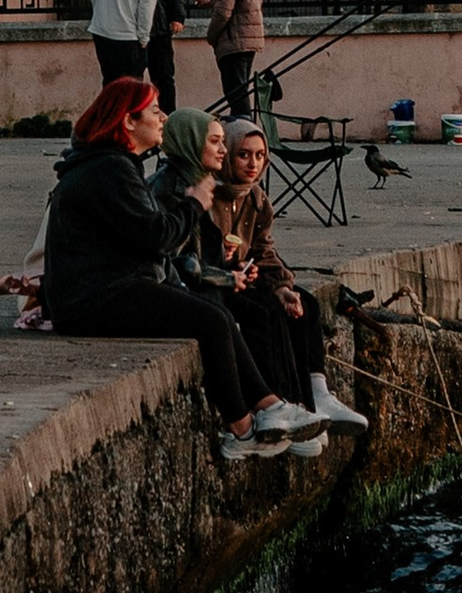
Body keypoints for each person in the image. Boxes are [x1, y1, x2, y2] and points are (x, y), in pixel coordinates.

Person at [41, 77, 316, 465]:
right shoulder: (110, 169)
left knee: (218, 313)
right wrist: (194, 203)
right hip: (95, 298)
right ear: (128, 122)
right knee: (212, 320)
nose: (163, 119)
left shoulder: (112, 165)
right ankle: (242, 429)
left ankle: (269, 407)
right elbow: (159, 238)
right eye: (154, 112)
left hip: (104, 288)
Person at [217, 118, 367, 433]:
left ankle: (317, 395)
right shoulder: (211, 196)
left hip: (246, 275)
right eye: (243, 155)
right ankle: (286, 403)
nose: (252, 164)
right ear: (227, 155)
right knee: (265, 312)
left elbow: (264, 251)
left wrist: (282, 287)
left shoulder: (256, 198)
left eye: (259, 156)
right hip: (221, 281)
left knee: (306, 304)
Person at [205, 0, 266, 120]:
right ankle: (241, 125)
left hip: (234, 41)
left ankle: (244, 130)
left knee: (235, 92)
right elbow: (243, 2)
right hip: (251, 38)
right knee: (242, 88)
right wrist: (211, 1)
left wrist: (211, 36)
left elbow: (223, 13)